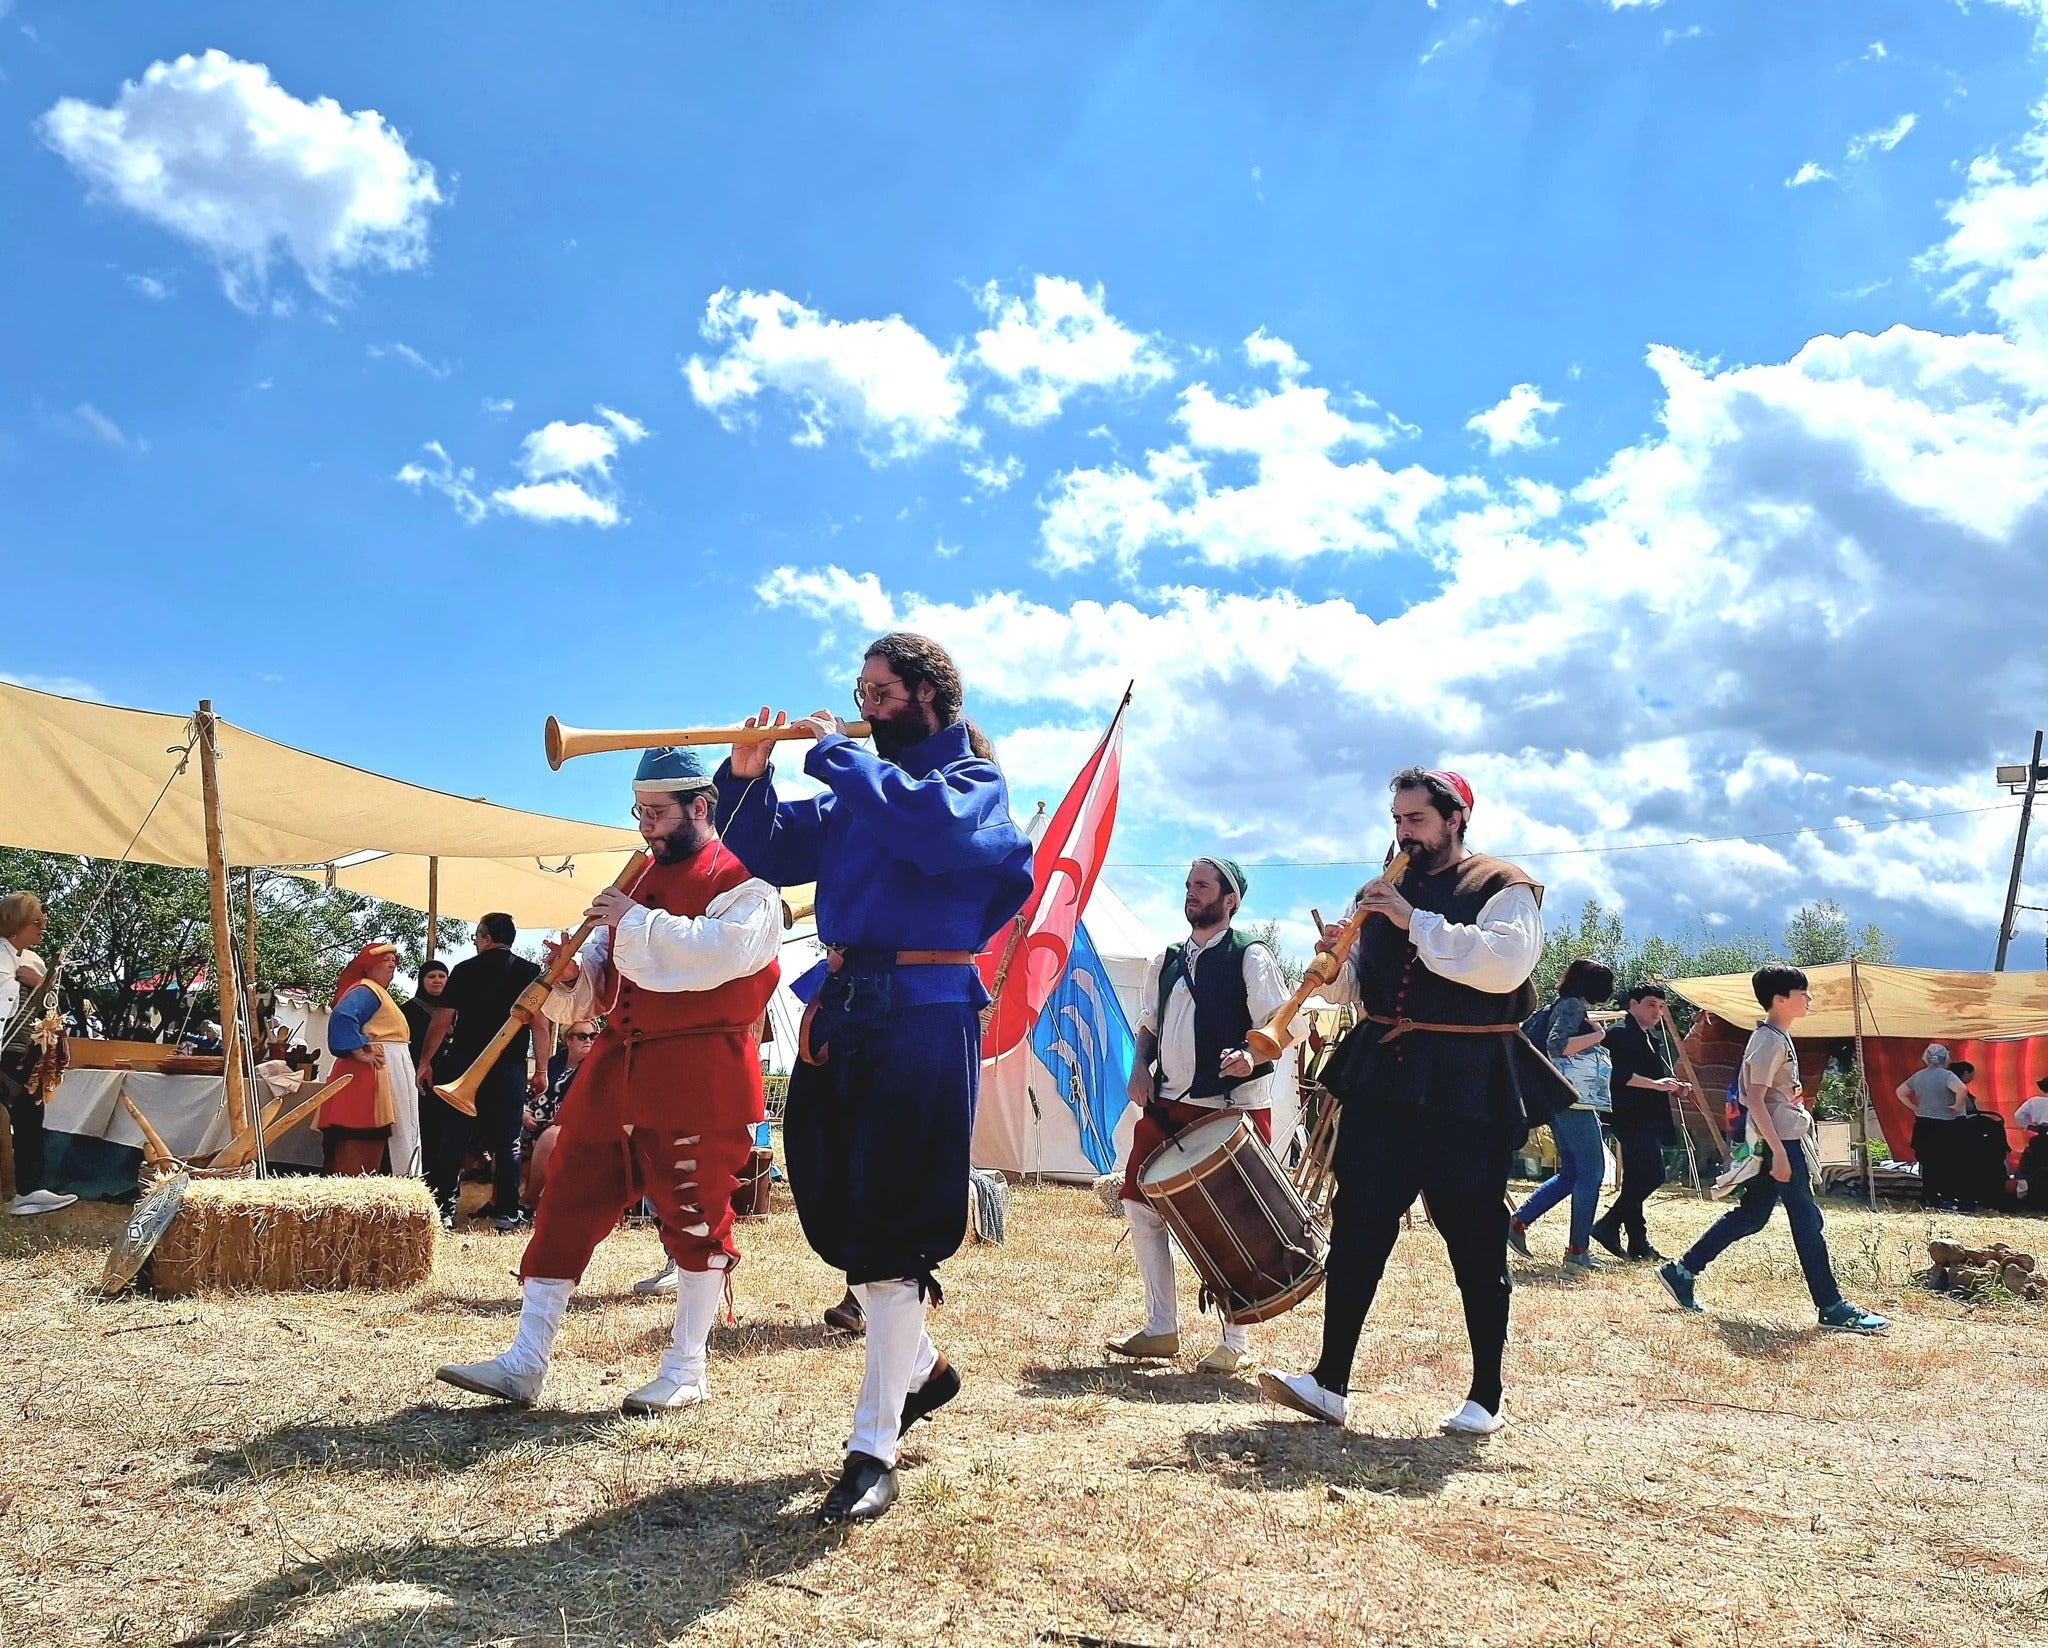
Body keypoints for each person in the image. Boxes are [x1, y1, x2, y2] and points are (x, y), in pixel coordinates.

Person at [715, 632, 1033, 1523]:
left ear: (930, 695)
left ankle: (872, 1446)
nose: (866, 701)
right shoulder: (863, 788)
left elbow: (926, 831)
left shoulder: (969, 786)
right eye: (861, 690)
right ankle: (924, 1367)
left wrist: (835, 753)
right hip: (846, 1007)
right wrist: (745, 778)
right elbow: (770, 852)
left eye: (881, 691)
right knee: (837, 1202)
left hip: (925, 1010)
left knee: (892, 1224)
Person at [437, 746, 780, 1414]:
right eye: (639, 812)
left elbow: (718, 957)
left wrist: (634, 922)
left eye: (656, 812)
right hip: (618, 1066)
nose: (645, 826)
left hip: (700, 1069)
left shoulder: (746, 884)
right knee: (568, 1195)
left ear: (699, 808)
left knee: (693, 1208)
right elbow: (600, 986)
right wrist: (571, 976)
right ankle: (525, 1361)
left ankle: (686, 1369)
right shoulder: (639, 884)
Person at [1260, 768, 1569, 1438]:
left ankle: (1486, 1395)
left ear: (1455, 818)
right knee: (1359, 1220)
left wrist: (1411, 919)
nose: (1404, 833)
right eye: (1397, 821)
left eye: (1417, 821)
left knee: (1474, 1234)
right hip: (1387, 1075)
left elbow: (1503, 965)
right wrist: (1335, 966)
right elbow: (1360, 991)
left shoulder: (1502, 885)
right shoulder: (1382, 887)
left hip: (1465, 1078)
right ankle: (1329, 1381)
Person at [1107, 855, 1289, 1373]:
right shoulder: (1165, 960)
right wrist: (1140, 1067)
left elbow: (1281, 1023)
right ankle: (1161, 1327)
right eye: (1189, 885)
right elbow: (1149, 1022)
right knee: (1140, 1204)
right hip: (1169, 1103)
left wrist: (1252, 1056)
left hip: (1232, 1108)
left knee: (1234, 1221)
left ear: (1229, 900)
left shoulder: (1251, 956)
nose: (1192, 893)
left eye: (1203, 886)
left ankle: (1236, 1341)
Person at [1658, 966, 1888, 1332]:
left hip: (1779, 1141)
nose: (1809, 999)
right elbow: (1754, 1098)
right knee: (1806, 1221)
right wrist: (1778, 1153)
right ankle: (1831, 1306)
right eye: (1803, 993)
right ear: (1780, 999)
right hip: (1779, 1144)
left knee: (1753, 1215)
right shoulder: (1769, 1041)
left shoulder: (1777, 1036)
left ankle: (1682, 1270)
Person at [417, 913, 553, 1228]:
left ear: (484, 937)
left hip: (466, 1062)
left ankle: (444, 1212)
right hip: (509, 1066)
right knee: (508, 1140)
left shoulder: (464, 970)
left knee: (455, 1137)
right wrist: (542, 1069)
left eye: (478, 936)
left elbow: (442, 1020)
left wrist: (425, 1062)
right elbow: (541, 1025)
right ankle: (507, 1212)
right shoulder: (531, 973)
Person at [1508, 959, 1616, 1272]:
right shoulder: (1572, 1007)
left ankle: (1517, 1224)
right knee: (1592, 1172)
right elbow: (1557, 1046)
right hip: (1573, 1100)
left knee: (1571, 1173)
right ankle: (1577, 1249)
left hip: (1557, 1098)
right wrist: (1599, 1036)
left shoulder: (1564, 1004)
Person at [1587, 983, 1689, 1262]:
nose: (1657, 1011)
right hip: (1628, 1115)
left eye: (1659, 1006)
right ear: (1633, 1004)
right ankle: (1608, 1225)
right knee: (1653, 1173)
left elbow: (1649, 1078)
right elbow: (1618, 1075)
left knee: (1634, 1177)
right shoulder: (1619, 1034)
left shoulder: (1647, 1037)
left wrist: (1672, 1087)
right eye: (1651, 1004)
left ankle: (1637, 1242)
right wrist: (1657, 1085)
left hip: (1645, 1114)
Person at [2, 893, 75, 1216]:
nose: (42, 929)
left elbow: (49, 1009)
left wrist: (41, 983)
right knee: (27, 1116)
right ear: (18, 924)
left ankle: (30, 1190)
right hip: (5, 1053)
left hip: (24, 1051)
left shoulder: (31, 961)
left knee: (30, 1117)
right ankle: (28, 1190)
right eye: (37, 922)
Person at [320, 944, 414, 1176]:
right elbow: (343, 1016)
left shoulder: (375, 992)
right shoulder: (366, 990)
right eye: (386, 960)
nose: (392, 964)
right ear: (369, 965)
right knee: (361, 1139)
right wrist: (359, 1051)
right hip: (369, 1078)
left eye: (394, 960)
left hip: (377, 1073)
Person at [521, 1017, 595, 1216]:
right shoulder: (555, 1063)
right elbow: (532, 1092)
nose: (589, 1040)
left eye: (593, 1036)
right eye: (582, 1036)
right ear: (568, 1039)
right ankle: (502, 1204)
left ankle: (528, 1202)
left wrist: (559, 1120)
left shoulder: (595, 1069)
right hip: (536, 1120)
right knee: (508, 1134)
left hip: (573, 1125)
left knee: (549, 1139)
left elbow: (593, 1106)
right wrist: (525, 1112)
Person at [1898, 1044, 1968, 1210]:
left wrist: (1914, 1108)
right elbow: (1962, 1089)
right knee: (1948, 1162)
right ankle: (1947, 1197)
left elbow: (1900, 1092)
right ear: (1946, 1058)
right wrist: (1957, 1105)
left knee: (1928, 1163)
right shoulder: (1947, 1076)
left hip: (1924, 1125)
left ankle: (1930, 1197)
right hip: (1947, 1125)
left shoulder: (1918, 1076)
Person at [2015, 1077, 2048, 1212]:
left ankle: (2029, 1196)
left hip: (2041, 1137)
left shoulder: (2034, 1102)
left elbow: (2018, 1115)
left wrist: (2028, 1126)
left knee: (2034, 1166)